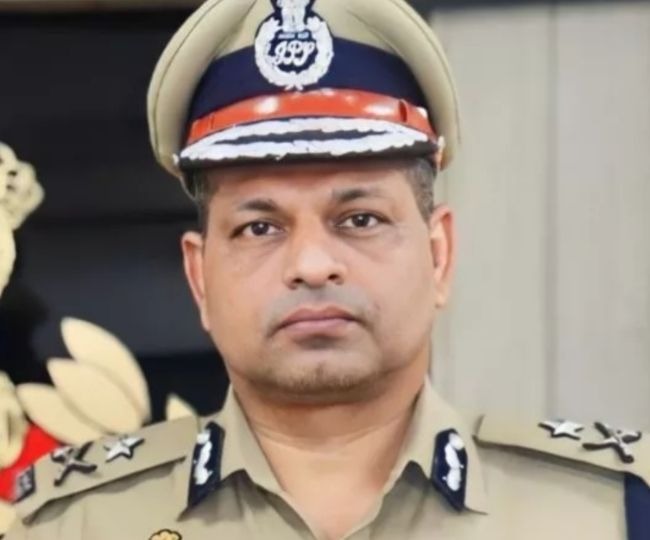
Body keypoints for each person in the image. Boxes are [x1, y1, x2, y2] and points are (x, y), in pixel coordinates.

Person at [5, 0, 649, 538]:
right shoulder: (71, 523)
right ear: (200, 279)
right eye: (260, 227)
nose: (312, 265)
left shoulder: (609, 514)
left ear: (439, 255)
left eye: (360, 219)